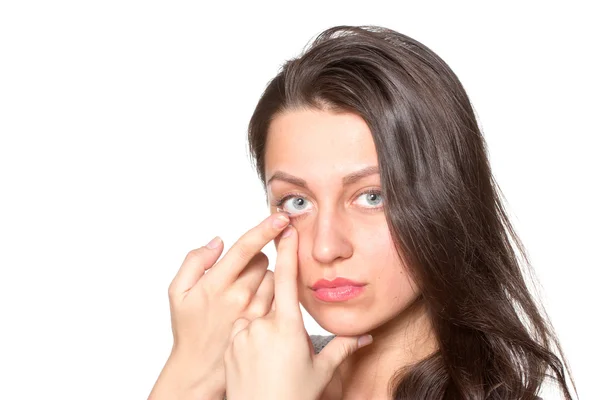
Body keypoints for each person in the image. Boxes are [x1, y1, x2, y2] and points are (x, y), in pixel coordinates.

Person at [148, 25, 577, 400]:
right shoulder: (244, 378)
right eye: (297, 202)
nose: (327, 246)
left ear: (446, 201)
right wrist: (188, 375)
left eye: (373, 196)